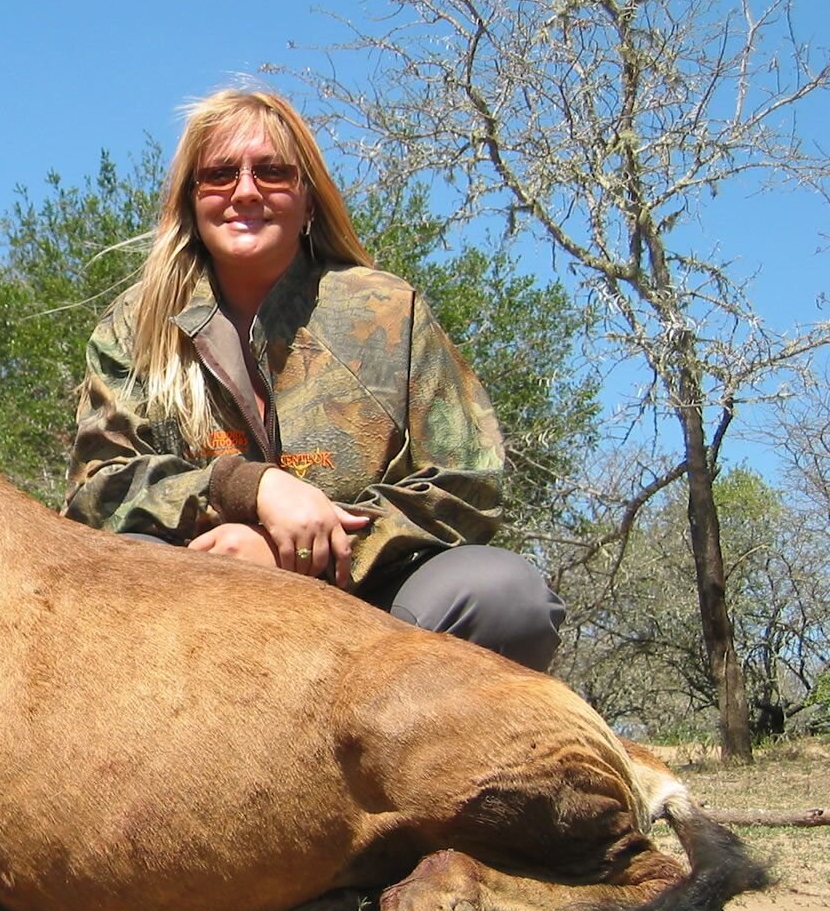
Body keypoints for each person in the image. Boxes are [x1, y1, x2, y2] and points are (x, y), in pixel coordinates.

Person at [63, 89, 564, 671]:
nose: (245, 191)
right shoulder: (135, 324)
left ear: (308, 201)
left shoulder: (387, 309)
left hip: (373, 607)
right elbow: (97, 488)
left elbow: (467, 483)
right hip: (201, 609)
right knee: (126, 582)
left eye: (272, 172)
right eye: (219, 174)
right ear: (191, 200)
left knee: (505, 596)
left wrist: (302, 554)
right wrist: (245, 488)